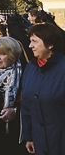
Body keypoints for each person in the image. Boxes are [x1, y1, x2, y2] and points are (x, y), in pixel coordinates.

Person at [20, 22, 65, 155]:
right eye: (30, 41)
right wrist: (28, 136)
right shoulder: (31, 68)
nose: (30, 46)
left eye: (34, 41)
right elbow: (26, 105)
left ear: (50, 44)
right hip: (40, 142)